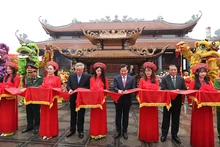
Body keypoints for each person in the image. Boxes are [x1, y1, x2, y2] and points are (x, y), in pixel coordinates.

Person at [189, 63, 216, 147]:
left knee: (207, 124)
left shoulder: (209, 83)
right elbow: (190, 94)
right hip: (198, 107)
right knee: (199, 124)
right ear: (197, 73)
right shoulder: (193, 83)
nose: (203, 74)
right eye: (201, 72)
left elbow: (213, 94)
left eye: (204, 72)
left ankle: (207, 142)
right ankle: (198, 142)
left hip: (207, 107)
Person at [160, 64, 186, 144]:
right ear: (168, 70)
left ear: (177, 70)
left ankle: (174, 135)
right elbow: (163, 89)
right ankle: (164, 134)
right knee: (166, 118)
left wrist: (179, 90)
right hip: (168, 101)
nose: (173, 71)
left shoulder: (181, 79)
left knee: (176, 119)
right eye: (171, 70)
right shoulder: (164, 79)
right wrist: (171, 91)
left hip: (177, 102)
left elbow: (184, 89)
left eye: (175, 70)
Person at [66, 62, 90, 138]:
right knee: (73, 114)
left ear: (83, 69)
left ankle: (80, 130)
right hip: (73, 97)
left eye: (79, 70)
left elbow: (89, 87)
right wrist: (69, 89)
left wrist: (81, 90)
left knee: (81, 115)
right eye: (76, 70)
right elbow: (68, 85)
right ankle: (72, 130)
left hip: (82, 99)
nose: (78, 72)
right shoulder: (71, 76)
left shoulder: (87, 77)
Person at [39, 61, 61, 140]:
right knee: (44, 115)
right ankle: (44, 132)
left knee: (51, 116)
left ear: (55, 70)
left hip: (52, 100)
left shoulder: (57, 78)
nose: (49, 70)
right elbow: (42, 87)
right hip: (45, 100)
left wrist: (52, 89)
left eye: (51, 69)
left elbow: (59, 89)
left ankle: (51, 132)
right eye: (48, 69)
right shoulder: (45, 78)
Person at [138, 62, 159, 142]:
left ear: (152, 72)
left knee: (152, 121)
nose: (148, 72)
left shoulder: (156, 80)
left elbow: (157, 91)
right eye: (146, 71)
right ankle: (144, 136)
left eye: (149, 71)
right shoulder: (142, 80)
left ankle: (153, 137)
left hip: (153, 104)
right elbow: (139, 91)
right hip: (144, 104)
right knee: (145, 120)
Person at [113, 64, 135, 140]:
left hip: (127, 100)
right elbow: (114, 87)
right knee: (118, 116)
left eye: (125, 71)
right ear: (120, 71)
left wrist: (128, 91)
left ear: (127, 70)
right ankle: (118, 131)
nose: (123, 72)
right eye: (122, 71)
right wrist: (118, 90)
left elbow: (133, 88)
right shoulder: (116, 78)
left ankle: (125, 131)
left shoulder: (131, 78)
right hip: (118, 100)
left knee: (126, 116)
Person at [0, 62, 20, 136]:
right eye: (7, 69)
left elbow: (15, 88)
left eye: (9, 69)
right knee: (3, 114)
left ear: (13, 70)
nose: (8, 70)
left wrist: (7, 87)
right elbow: (4, 85)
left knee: (9, 114)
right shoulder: (5, 77)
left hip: (11, 98)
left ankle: (10, 130)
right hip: (4, 98)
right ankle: (4, 129)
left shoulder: (17, 77)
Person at [90, 62, 109, 140]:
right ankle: (94, 132)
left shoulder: (105, 80)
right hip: (94, 101)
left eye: (100, 71)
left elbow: (106, 89)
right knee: (94, 116)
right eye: (97, 71)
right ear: (95, 71)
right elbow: (91, 89)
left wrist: (101, 91)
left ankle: (102, 132)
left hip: (102, 101)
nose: (99, 72)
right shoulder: (91, 79)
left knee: (101, 116)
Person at [22, 65, 43, 134]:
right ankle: (29, 126)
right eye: (29, 72)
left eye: (31, 72)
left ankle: (36, 126)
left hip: (36, 99)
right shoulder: (28, 79)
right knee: (29, 112)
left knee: (36, 113)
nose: (30, 73)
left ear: (35, 72)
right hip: (28, 98)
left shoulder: (40, 79)